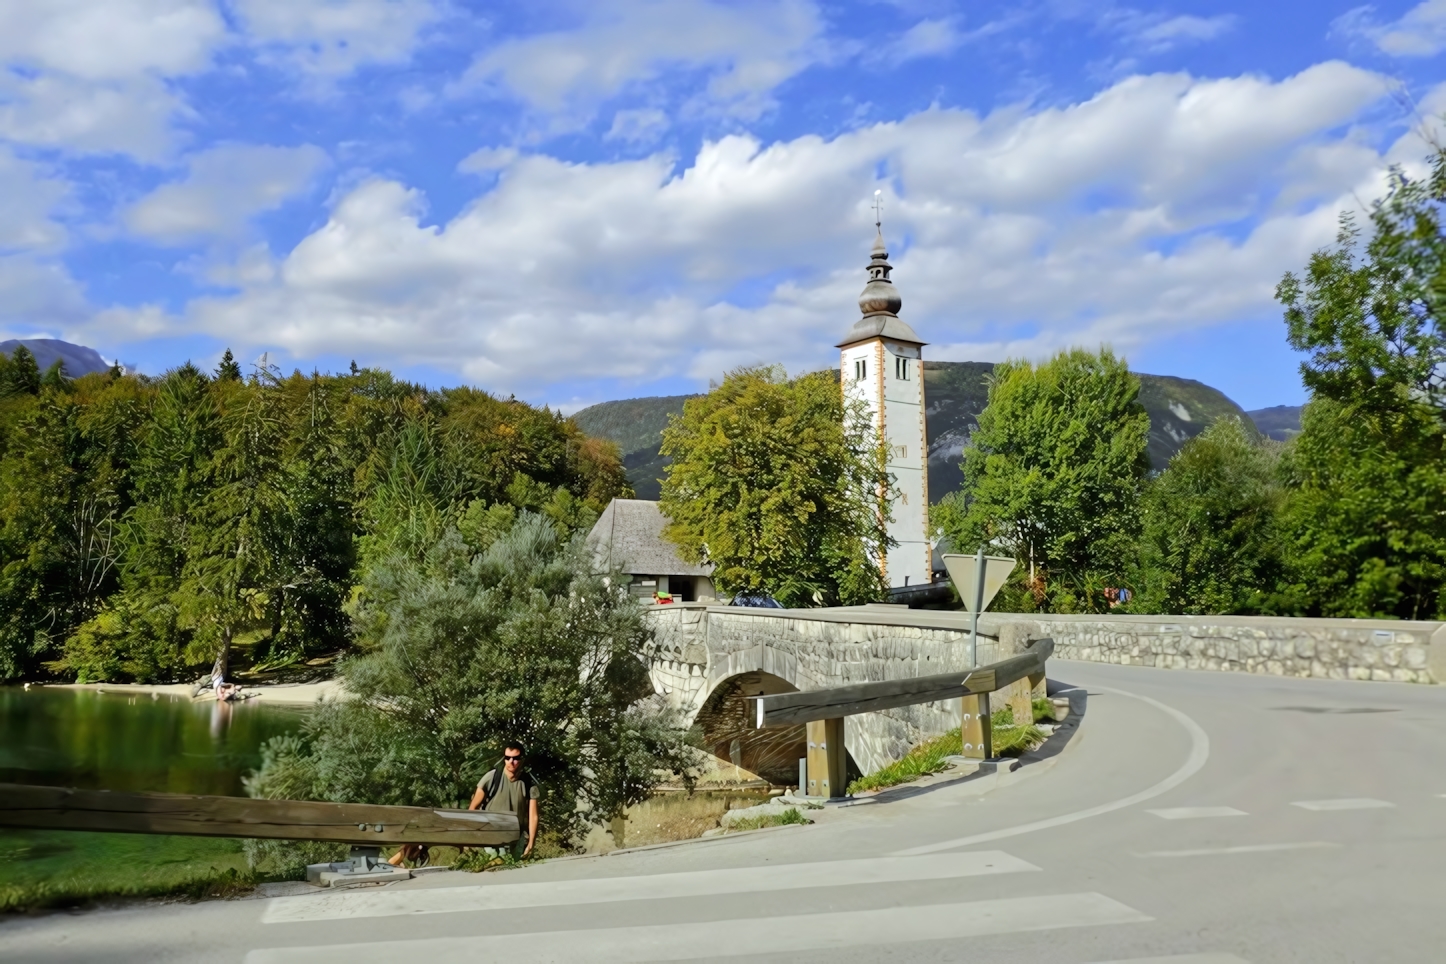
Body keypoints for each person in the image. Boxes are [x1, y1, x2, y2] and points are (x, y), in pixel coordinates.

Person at [471, 741, 540, 858]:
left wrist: (531, 844)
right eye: (508, 758)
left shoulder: (529, 783)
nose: (511, 762)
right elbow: (473, 809)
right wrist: (474, 837)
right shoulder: (491, 777)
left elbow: (533, 816)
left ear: (522, 759)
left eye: (515, 758)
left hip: (515, 839)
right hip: (490, 838)